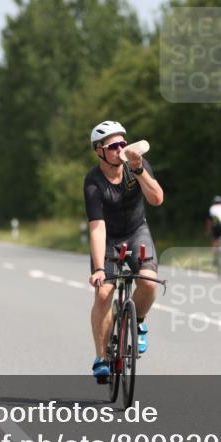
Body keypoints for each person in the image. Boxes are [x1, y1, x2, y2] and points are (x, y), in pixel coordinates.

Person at [84, 121, 164, 382]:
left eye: (122, 144)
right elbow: (97, 227)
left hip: (136, 230)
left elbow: (157, 199)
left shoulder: (136, 165)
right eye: (113, 146)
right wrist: (98, 269)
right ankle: (101, 357)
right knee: (105, 291)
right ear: (100, 151)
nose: (120, 149)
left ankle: (138, 320)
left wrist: (139, 169)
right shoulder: (94, 182)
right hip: (109, 236)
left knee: (149, 283)